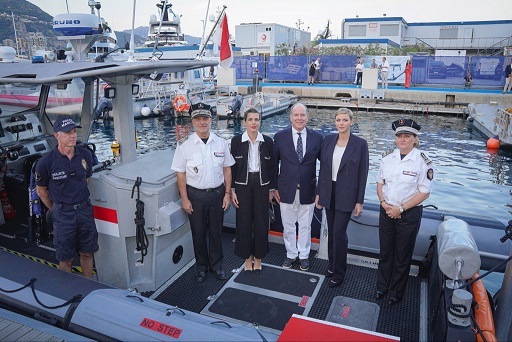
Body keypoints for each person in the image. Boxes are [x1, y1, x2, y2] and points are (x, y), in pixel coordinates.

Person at [171, 103, 235, 283]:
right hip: (195, 196)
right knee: (198, 233)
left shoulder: (221, 142)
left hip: (217, 194)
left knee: (216, 232)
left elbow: (227, 170)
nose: (202, 122)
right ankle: (201, 267)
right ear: (192, 122)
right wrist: (184, 199)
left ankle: (217, 265)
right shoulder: (184, 145)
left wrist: (227, 194)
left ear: (210, 120)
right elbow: (180, 173)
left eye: (205, 118)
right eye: (198, 119)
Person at [376, 119, 434, 305]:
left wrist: (400, 208)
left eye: (407, 136)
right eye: (399, 136)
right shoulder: (387, 158)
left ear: (415, 139)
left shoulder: (422, 162)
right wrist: (384, 204)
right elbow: (380, 184)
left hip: (408, 214)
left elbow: (424, 192)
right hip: (386, 210)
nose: (402, 139)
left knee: (402, 255)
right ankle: (382, 286)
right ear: (395, 139)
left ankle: (396, 292)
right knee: (385, 252)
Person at [35, 118, 98, 278]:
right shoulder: (46, 162)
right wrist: (56, 209)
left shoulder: (85, 155)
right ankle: (67, 292)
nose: (73, 136)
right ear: (57, 135)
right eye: (68, 133)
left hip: (84, 211)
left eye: (74, 132)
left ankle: (88, 286)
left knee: (87, 253)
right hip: (63, 214)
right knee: (66, 259)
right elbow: (41, 191)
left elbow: (86, 180)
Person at [315, 108, 369, 288]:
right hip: (329, 191)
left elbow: (363, 174)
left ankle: (339, 272)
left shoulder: (360, 144)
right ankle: (332, 265)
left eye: (345, 120)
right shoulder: (328, 140)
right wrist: (319, 193)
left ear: (351, 122)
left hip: (347, 194)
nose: (341, 123)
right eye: (338, 120)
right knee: (331, 232)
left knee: (339, 234)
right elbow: (323, 169)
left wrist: (359, 200)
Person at [273, 102, 323, 271]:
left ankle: (303, 255)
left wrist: (321, 190)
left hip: (308, 189)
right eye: (296, 115)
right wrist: (273, 188)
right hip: (286, 189)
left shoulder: (317, 137)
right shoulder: (280, 137)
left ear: (307, 117)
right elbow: (274, 164)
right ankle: (291, 254)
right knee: (287, 225)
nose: (299, 118)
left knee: (305, 225)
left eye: (302, 115)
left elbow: (325, 165)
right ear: (291, 117)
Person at [230, 108, 274, 272]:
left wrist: (271, 189)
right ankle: (247, 259)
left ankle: (259, 258)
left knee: (262, 223)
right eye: (250, 119)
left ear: (260, 121)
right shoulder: (236, 141)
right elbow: (231, 167)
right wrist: (232, 190)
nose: (254, 122)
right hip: (242, 185)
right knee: (244, 223)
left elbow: (272, 167)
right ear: (244, 122)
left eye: (257, 119)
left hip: (262, 185)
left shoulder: (268, 142)